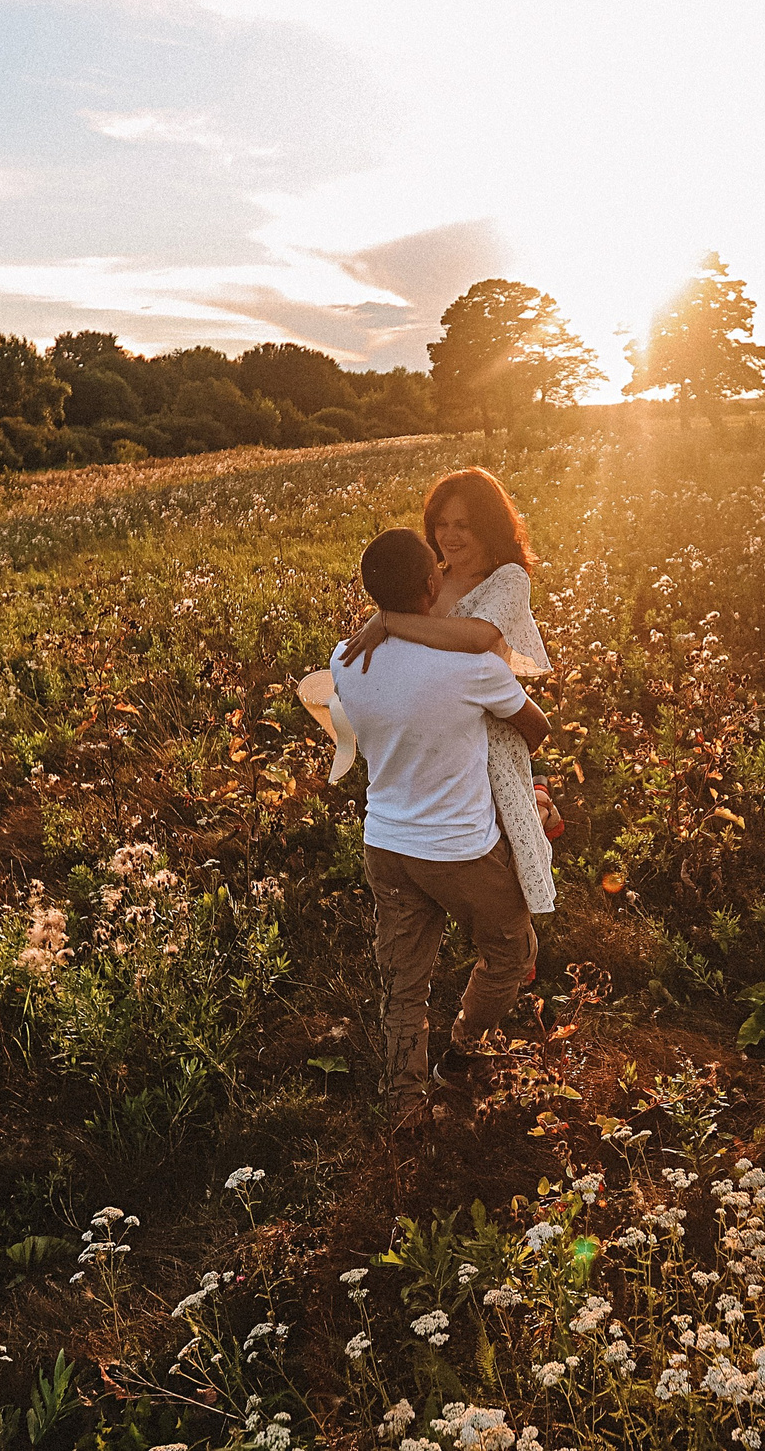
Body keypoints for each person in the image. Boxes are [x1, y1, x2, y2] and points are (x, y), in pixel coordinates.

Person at [320, 527, 551, 1123]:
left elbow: (354, 722)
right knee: (510, 949)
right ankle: (467, 1044)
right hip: (462, 851)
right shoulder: (470, 668)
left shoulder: (344, 660)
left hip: (386, 844)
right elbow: (537, 727)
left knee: (404, 979)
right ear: (432, 584)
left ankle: (404, 1104)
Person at [340, 468, 560, 916]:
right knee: (455, 848)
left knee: (508, 847)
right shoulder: (431, 578)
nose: (451, 536)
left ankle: (517, 950)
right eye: (442, 524)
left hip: (489, 731)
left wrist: (388, 621)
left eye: (464, 525)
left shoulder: (508, 579)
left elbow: (478, 636)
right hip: (439, 733)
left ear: (490, 526)